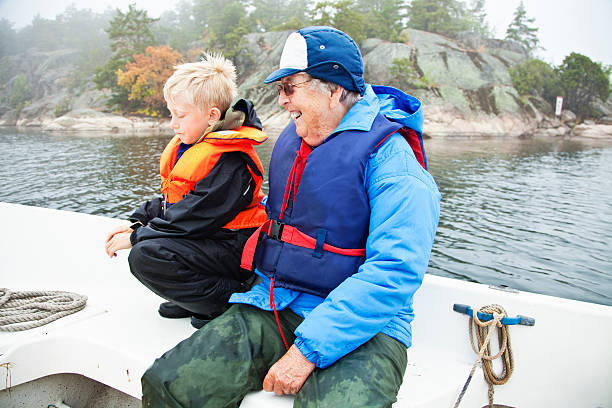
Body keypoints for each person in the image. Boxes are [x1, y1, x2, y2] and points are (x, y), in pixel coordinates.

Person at [141, 26, 441, 407]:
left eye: (289, 88)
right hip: (278, 302)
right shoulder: (299, 138)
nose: (282, 100)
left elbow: (394, 272)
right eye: (280, 89)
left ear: (334, 89)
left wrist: (305, 353)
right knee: (168, 384)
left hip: (367, 326)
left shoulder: (394, 164)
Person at [104, 54, 268, 329]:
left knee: (145, 256)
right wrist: (138, 221)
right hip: (212, 239)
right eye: (172, 114)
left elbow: (195, 214)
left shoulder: (231, 161)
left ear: (212, 116)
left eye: (179, 115)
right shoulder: (194, 145)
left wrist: (138, 236)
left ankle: (231, 301)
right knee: (147, 245)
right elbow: (174, 201)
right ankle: (196, 297)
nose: (172, 123)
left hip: (237, 247)